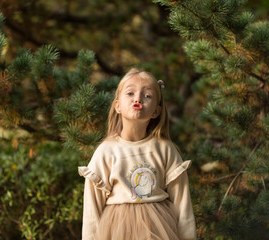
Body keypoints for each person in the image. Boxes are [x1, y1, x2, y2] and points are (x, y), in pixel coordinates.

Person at [78, 68, 196, 240]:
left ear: (156, 111)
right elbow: (92, 211)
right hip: (117, 231)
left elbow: (183, 204)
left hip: (159, 229)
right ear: (117, 105)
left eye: (147, 95)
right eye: (130, 93)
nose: (138, 98)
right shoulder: (106, 151)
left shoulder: (165, 149)